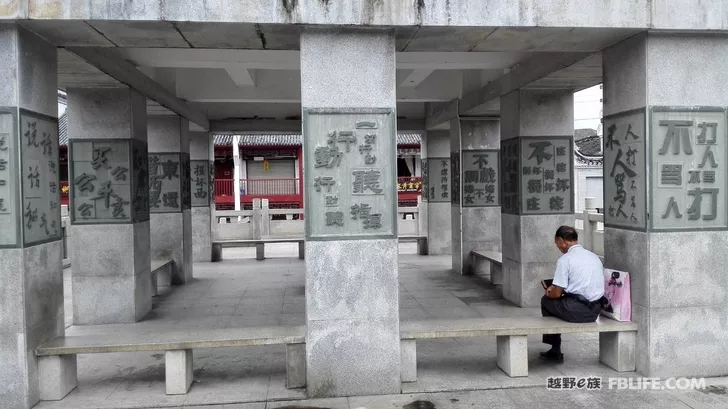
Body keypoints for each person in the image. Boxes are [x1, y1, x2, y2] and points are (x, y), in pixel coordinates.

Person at [540, 225, 605, 362]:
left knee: (546, 301)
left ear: (561, 240)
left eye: (556, 243)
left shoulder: (565, 260)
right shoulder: (593, 256)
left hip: (577, 310)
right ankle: (554, 348)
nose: (557, 246)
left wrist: (549, 291)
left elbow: (557, 294)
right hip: (595, 310)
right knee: (561, 300)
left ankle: (555, 349)